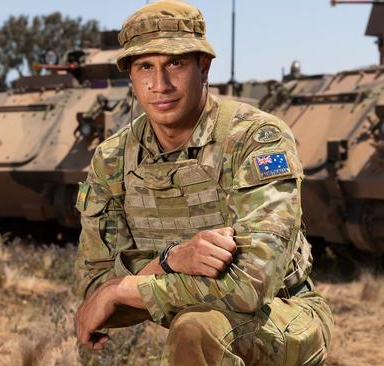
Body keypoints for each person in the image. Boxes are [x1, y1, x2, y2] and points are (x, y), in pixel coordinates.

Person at [73, 1, 333, 365]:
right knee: (194, 328)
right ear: (130, 75)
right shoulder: (113, 158)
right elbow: (93, 292)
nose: (159, 84)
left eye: (174, 63)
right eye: (145, 66)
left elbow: (249, 288)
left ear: (203, 66)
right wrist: (171, 260)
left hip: (283, 316)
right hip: (195, 324)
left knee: (195, 329)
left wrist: (127, 287)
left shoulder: (254, 138)